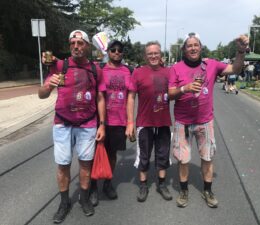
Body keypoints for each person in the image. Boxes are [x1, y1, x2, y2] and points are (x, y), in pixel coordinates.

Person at [168, 32, 248, 208]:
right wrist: (185, 88)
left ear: (201, 47)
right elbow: (170, 94)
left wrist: (241, 52)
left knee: (207, 158)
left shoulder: (211, 64)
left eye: (196, 45)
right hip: (183, 122)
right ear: (184, 49)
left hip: (205, 121)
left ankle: (207, 191)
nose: (193, 48)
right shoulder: (176, 68)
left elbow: (234, 69)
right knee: (183, 159)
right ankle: (184, 191)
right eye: (189, 45)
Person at [38, 30, 106, 223]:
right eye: (72, 43)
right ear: (70, 46)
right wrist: (49, 84)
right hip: (62, 124)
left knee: (85, 163)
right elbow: (42, 94)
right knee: (63, 164)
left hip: (88, 124)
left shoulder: (95, 69)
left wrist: (102, 125)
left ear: (87, 46)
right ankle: (64, 202)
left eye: (80, 43)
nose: (76, 46)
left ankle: (83, 199)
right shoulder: (60, 65)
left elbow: (101, 97)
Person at [126, 41, 173, 202]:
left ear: (161, 55)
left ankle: (161, 184)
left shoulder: (168, 72)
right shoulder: (138, 73)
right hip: (144, 122)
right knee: (144, 156)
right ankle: (143, 185)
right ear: (145, 56)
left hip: (163, 121)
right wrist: (130, 122)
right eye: (150, 53)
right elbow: (131, 97)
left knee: (163, 154)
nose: (153, 56)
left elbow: (176, 93)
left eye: (156, 53)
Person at [89, 40, 132, 205]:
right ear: (108, 51)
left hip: (119, 121)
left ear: (122, 53)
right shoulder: (99, 70)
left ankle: (107, 183)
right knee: (94, 154)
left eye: (119, 50)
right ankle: (93, 186)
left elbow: (131, 96)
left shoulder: (129, 71)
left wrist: (130, 122)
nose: (116, 52)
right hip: (99, 120)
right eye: (113, 50)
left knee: (112, 154)